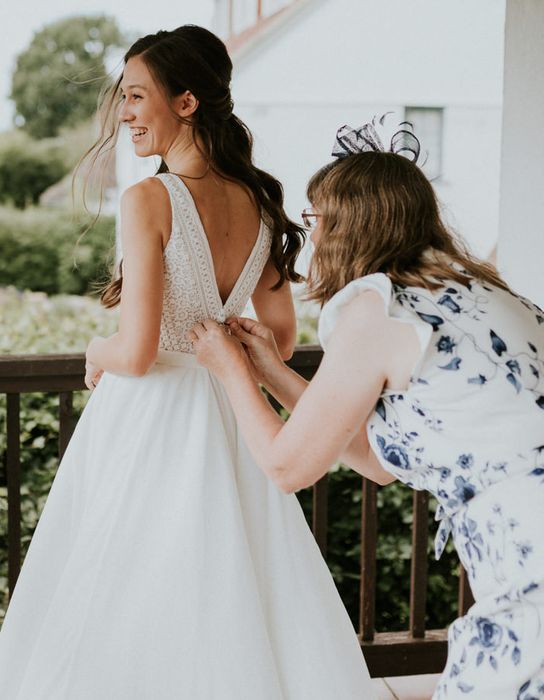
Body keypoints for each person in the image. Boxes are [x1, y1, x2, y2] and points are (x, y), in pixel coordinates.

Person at [0, 26, 372, 700]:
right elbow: (277, 334)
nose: (125, 113)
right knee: (231, 590)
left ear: (185, 102)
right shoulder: (257, 200)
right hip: (226, 413)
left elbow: (133, 352)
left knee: (123, 597)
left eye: (136, 96)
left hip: (148, 420)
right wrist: (224, 345)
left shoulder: (148, 199)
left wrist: (94, 353)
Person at [191, 123, 544, 700]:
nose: (312, 237)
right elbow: (379, 461)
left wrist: (227, 369)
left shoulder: (377, 306)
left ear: (346, 225)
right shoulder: (474, 291)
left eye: (314, 220)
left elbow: (285, 468)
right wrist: (269, 369)